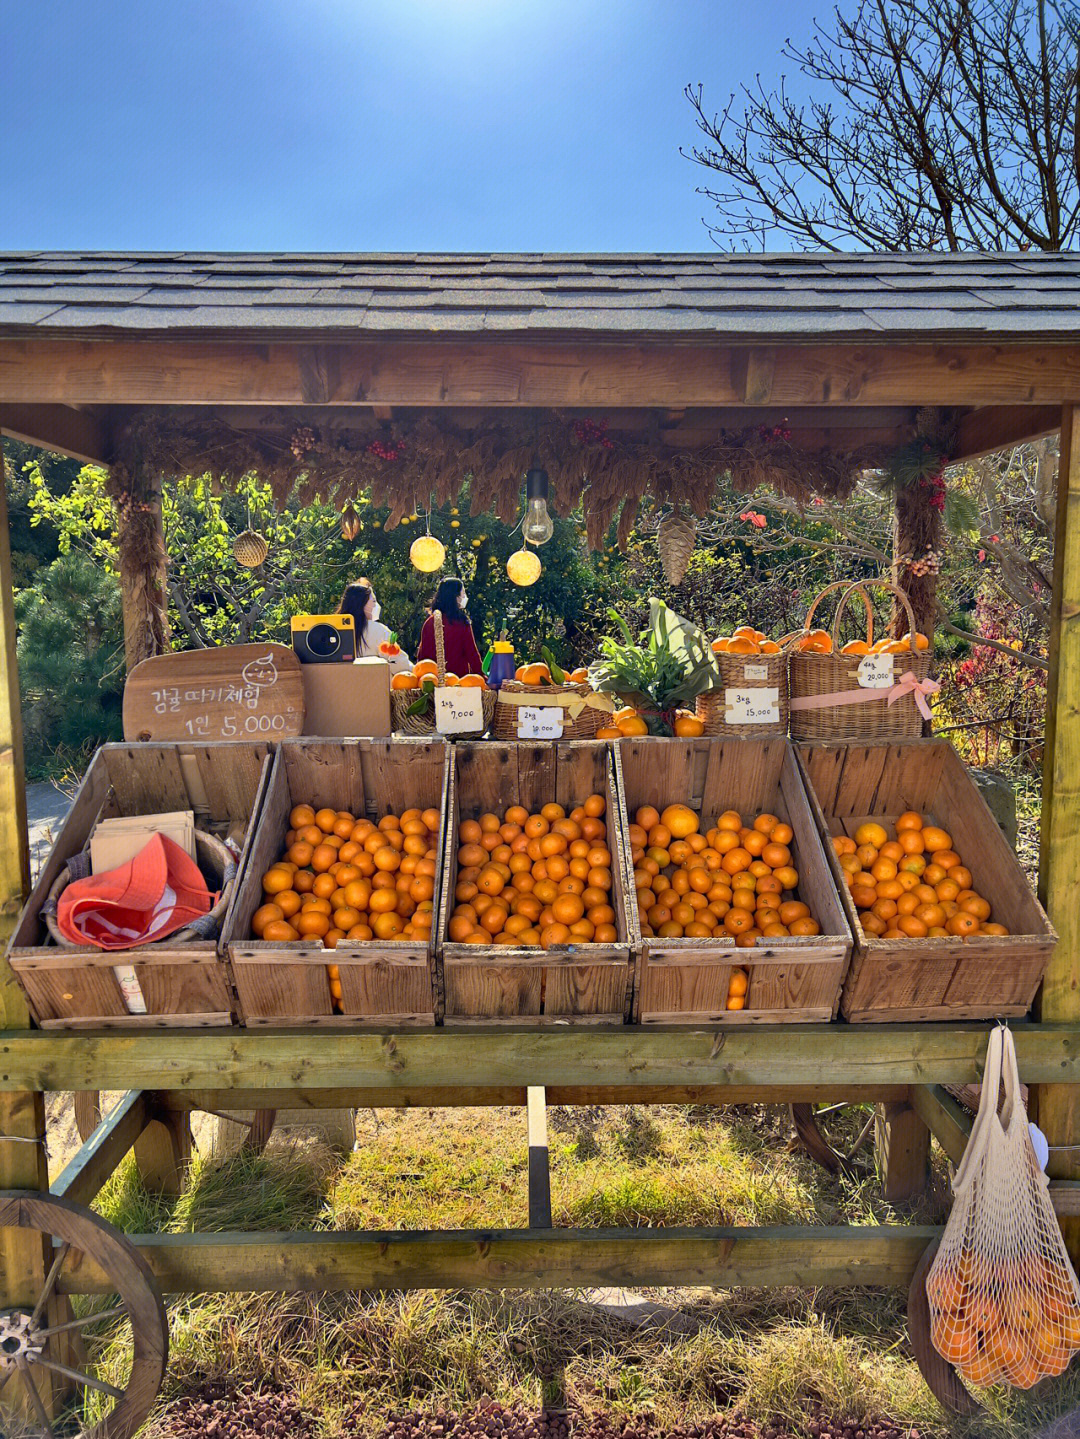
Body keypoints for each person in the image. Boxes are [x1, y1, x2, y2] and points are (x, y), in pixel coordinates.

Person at [336, 579, 412, 673]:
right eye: (373, 601)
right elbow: (401, 666)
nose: (376, 606)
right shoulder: (377, 630)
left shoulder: (333, 631)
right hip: (374, 685)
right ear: (362, 604)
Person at [417, 578, 484, 677]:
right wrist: (482, 676)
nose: (465, 597)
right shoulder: (462, 622)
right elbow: (472, 654)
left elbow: (422, 655)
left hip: (433, 680)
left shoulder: (429, 622)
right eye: (463, 593)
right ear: (456, 597)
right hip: (459, 682)